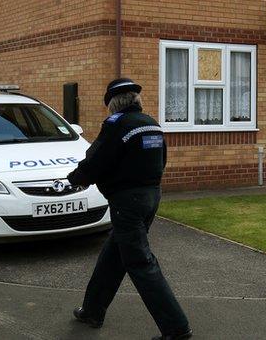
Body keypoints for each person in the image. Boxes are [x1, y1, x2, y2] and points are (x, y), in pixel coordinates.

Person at [68, 78, 191, 340]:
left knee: (140, 263)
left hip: (128, 203)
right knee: (113, 256)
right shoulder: (152, 125)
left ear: (113, 104)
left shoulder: (117, 125)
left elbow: (96, 160)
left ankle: (177, 328)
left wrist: (74, 178)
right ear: (136, 100)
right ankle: (92, 310)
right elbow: (162, 161)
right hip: (151, 197)